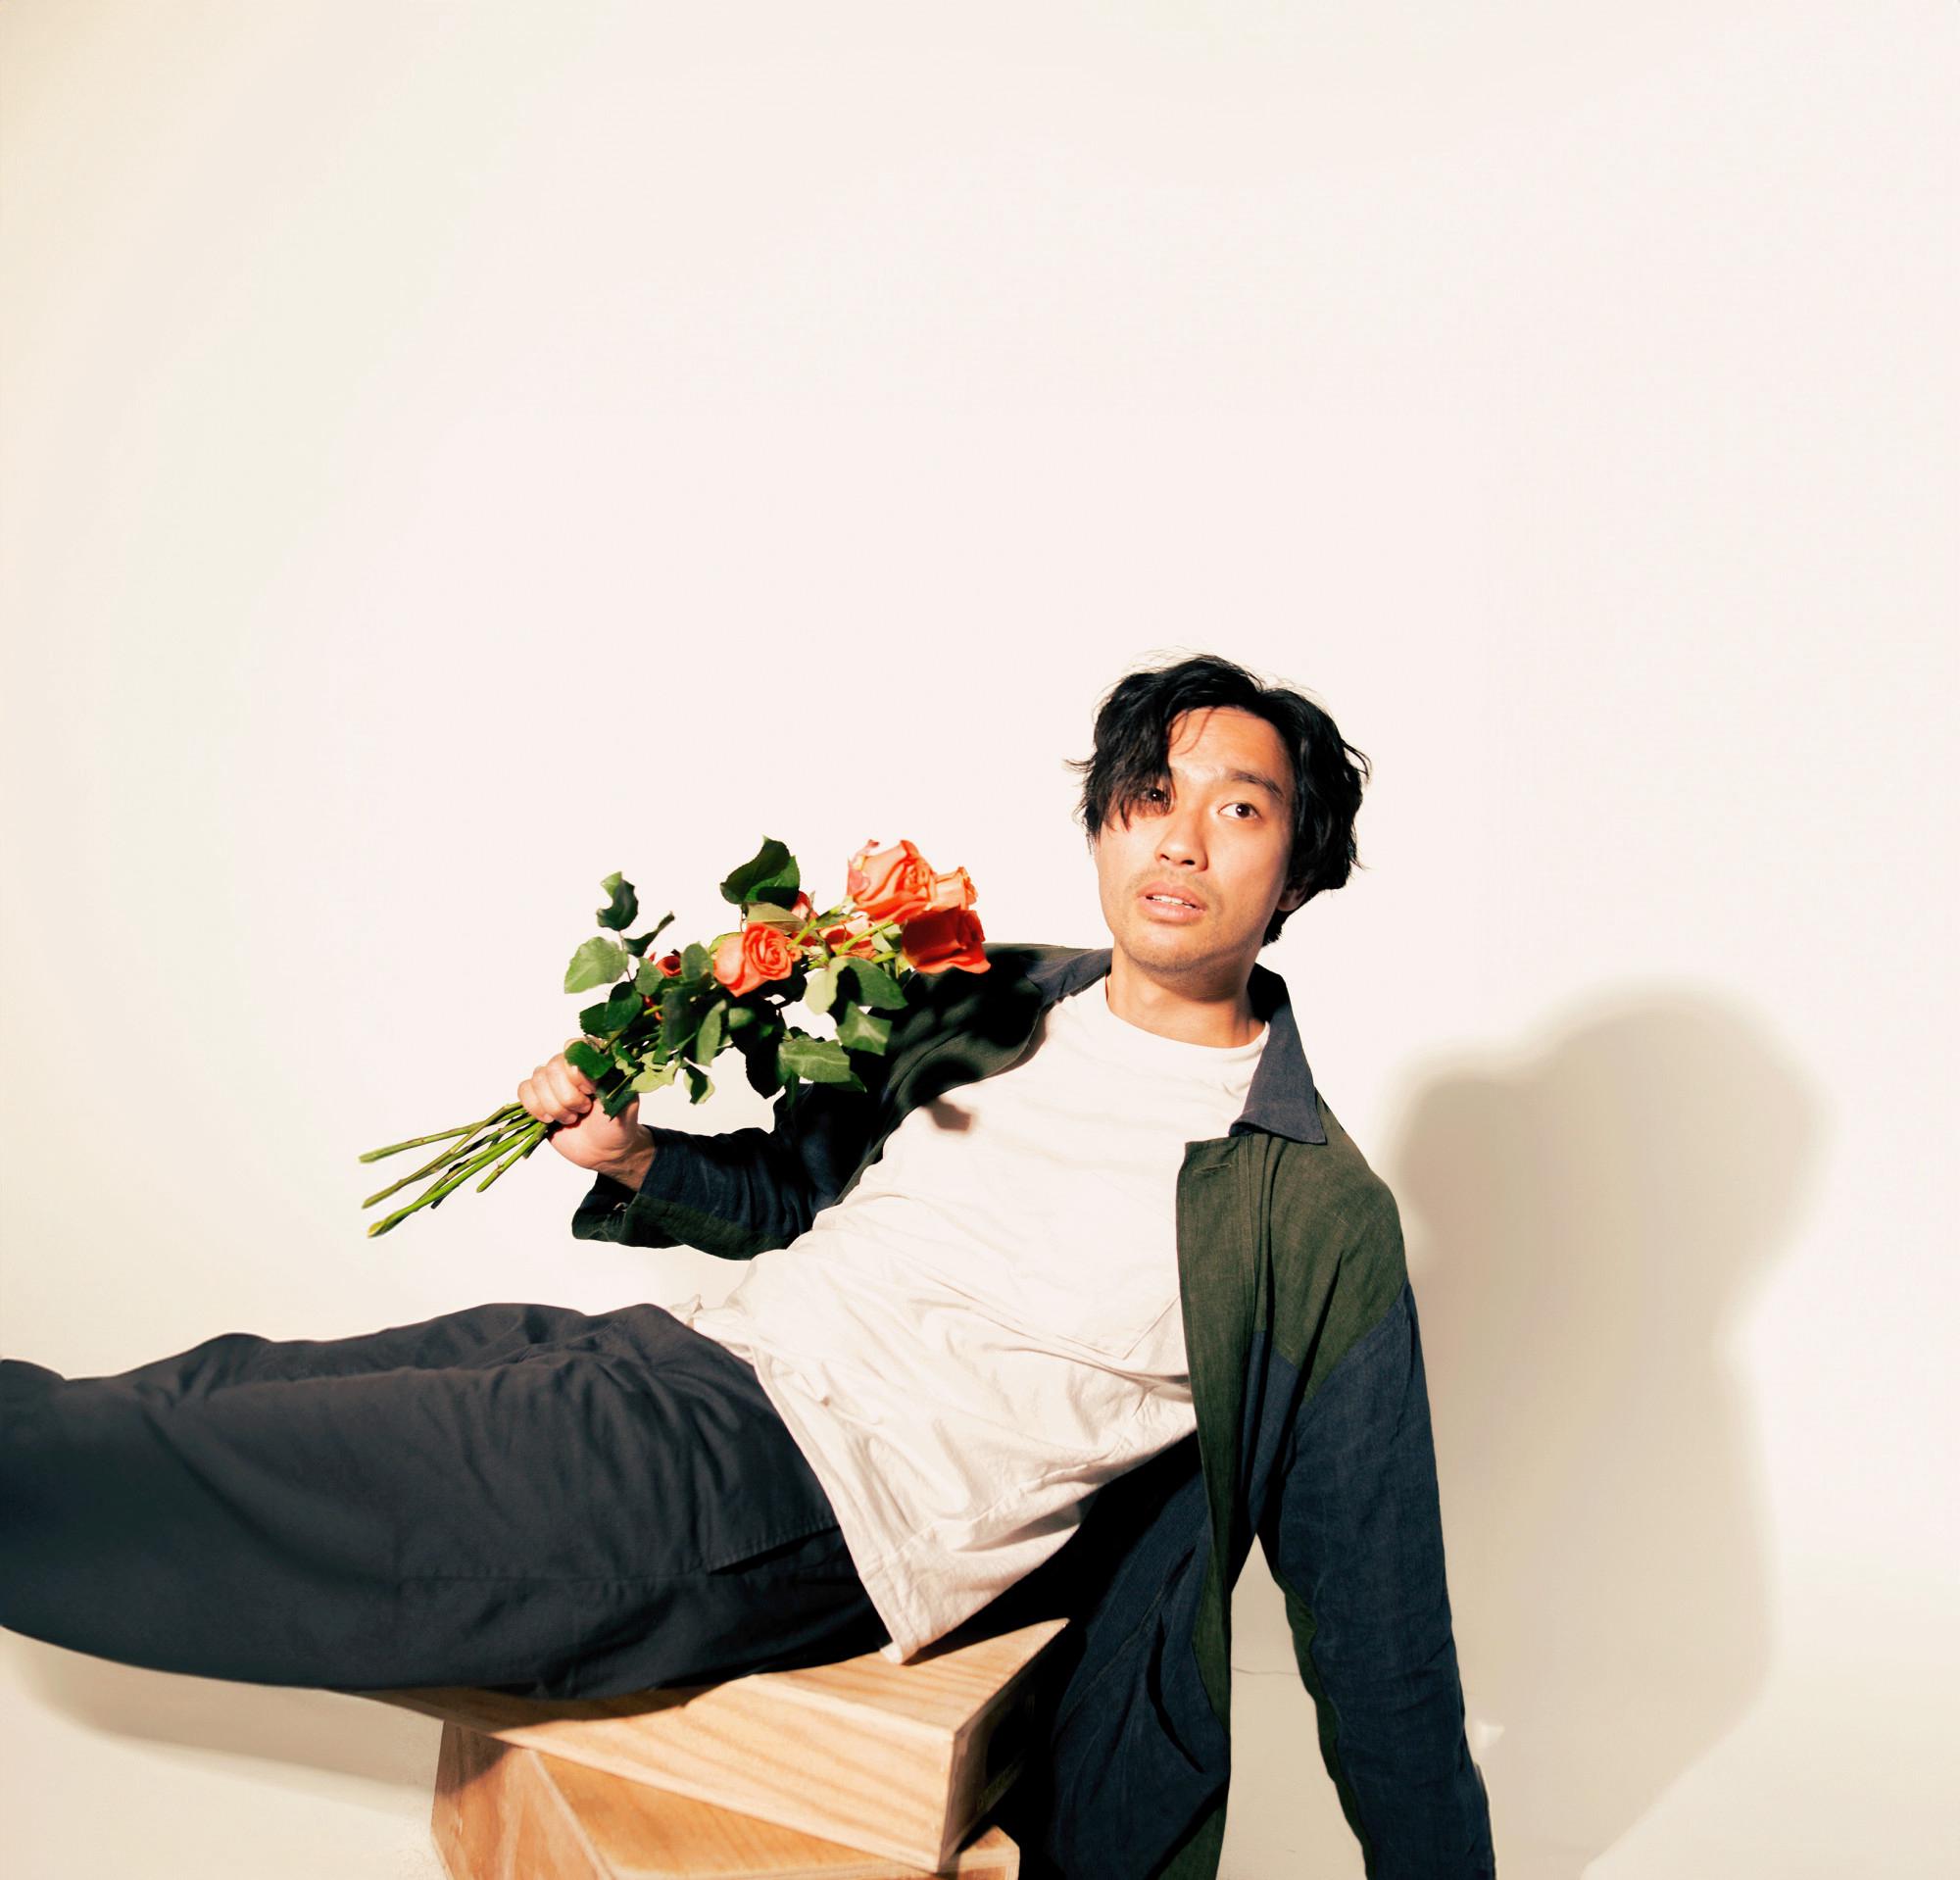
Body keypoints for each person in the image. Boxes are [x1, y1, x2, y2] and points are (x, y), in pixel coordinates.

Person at [0, 653, 1494, 1879]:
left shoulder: (1308, 1203)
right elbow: (798, 1193)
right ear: (1103, 821)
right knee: (220, 1394)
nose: (1180, 838)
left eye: (1239, 808)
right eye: (1150, 795)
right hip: (695, 1357)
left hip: (803, 1493)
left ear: (1298, 866)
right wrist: (638, 1158)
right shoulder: (1001, 998)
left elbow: (1380, 1621)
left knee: (242, 1476)